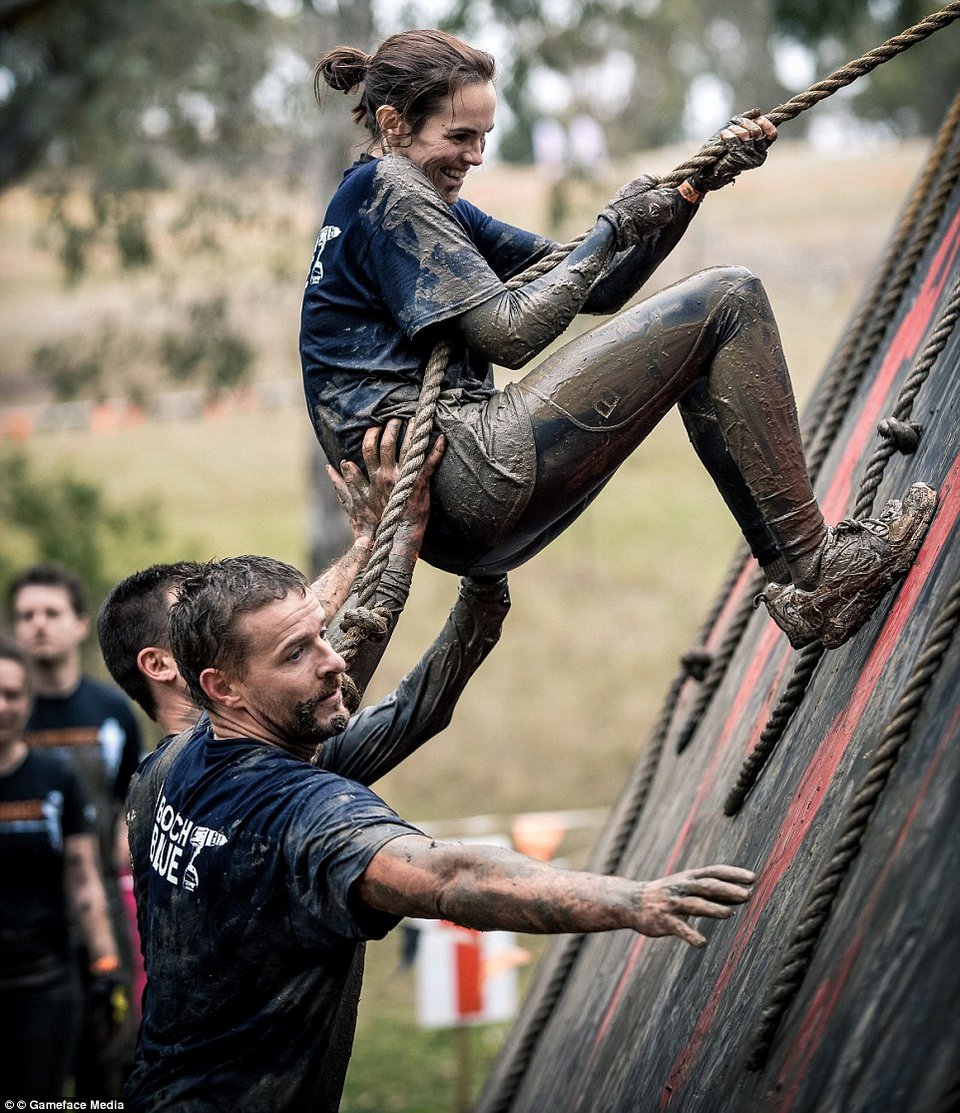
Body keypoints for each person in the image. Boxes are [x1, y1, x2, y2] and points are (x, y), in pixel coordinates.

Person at [301, 29, 936, 652]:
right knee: (731, 297)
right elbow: (512, 333)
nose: (475, 156)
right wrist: (610, 227)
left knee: (694, 347)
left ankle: (798, 574)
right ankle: (818, 568)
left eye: (484, 138)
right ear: (392, 122)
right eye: (459, 136)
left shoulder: (408, 199)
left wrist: (694, 189)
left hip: (452, 518)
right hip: (464, 474)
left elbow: (596, 286)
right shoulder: (391, 190)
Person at [124, 554, 756, 1112]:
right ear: (222, 688)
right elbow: (450, 877)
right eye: (298, 653)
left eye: (321, 634)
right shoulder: (300, 815)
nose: (334, 659)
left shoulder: (167, 769)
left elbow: (404, 713)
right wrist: (632, 901)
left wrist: (480, 590)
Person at [9, 562, 143, 1096]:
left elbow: (135, 792)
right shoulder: (7, 709)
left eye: (51, 612)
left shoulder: (110, 710)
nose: (39, 625)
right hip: (23, 900)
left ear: (79, 624)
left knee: (111, 1049)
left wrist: (123, 841)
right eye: (26, 615)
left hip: (100, 893)